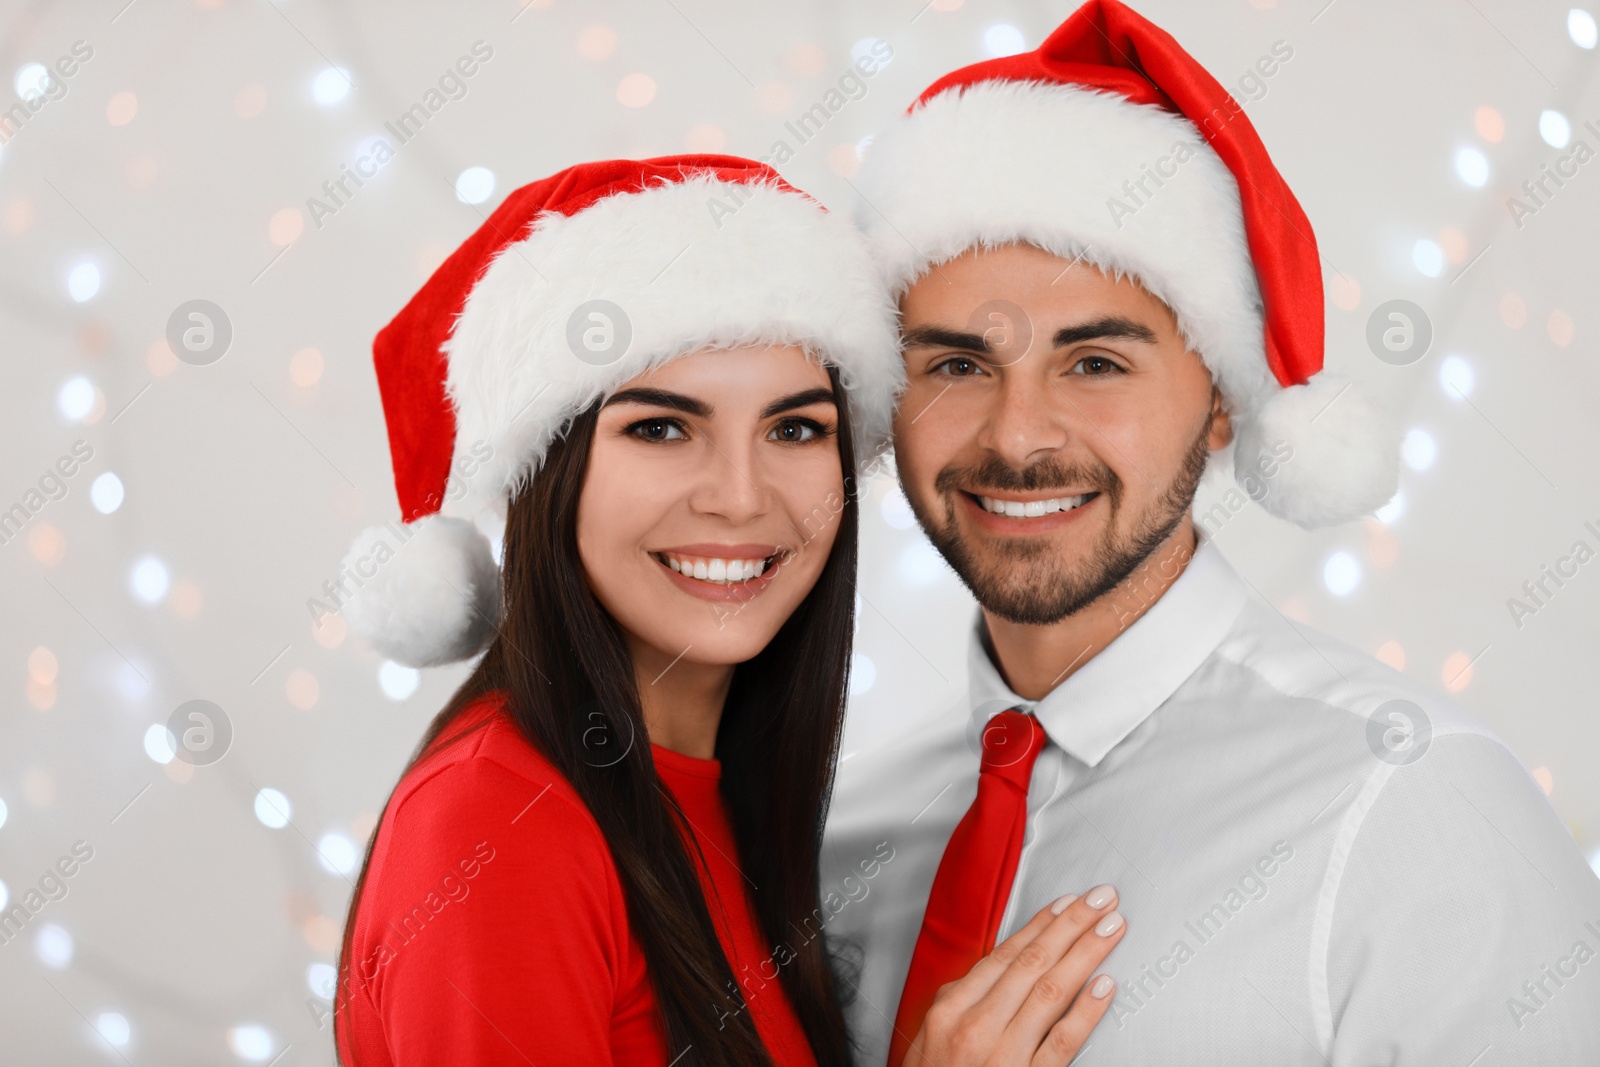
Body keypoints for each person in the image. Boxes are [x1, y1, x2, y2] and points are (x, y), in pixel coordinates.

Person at [821, 3, 1600, 1065]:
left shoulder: (1413, 806)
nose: (1017, 436)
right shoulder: (843, 841)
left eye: (1095, 362)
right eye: (956, 364)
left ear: (1224, 400)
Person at [327, 156, 1125, 1067]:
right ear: (552, 473)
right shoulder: (495, 823)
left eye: (794, 428)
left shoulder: (728, 799)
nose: (742, 498)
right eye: (662, 427)